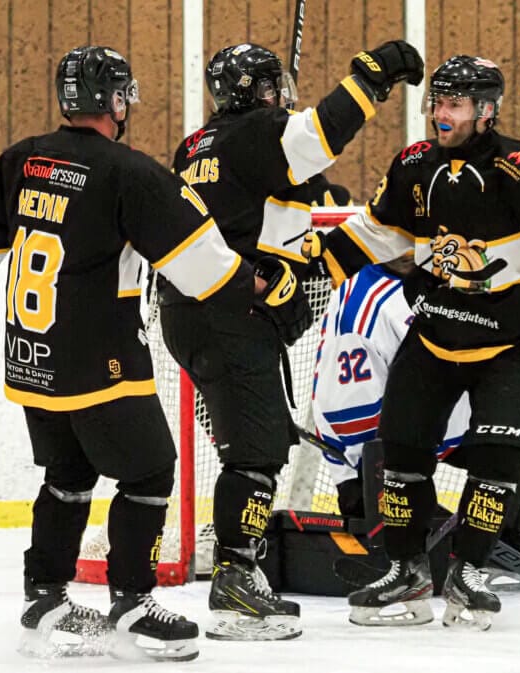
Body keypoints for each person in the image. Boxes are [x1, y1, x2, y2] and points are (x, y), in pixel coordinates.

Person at [0, 45, 303, 661]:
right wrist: (262, 285)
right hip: (100, 363)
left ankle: (45, 599)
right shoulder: (129, 172)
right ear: (114, 100)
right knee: (150, 470)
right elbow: (203, 269)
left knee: (68, 475)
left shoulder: (20, 160)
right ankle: (133, 606)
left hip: (31, 361)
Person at [302, 54, 520, 630]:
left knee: (497, 468)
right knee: (401, 459)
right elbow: (372, 233)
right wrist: (305, 268)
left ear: (487, 111)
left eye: (455, 104)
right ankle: (406, 571)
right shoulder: (415, 165)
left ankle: (468, 572)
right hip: (432, 339)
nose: (441, 115)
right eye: (437, 102)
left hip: (508, 351)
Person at [161, 40, 423, 641]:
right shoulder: (259, 132)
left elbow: (252, 219)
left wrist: (295, 247)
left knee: (259, 440)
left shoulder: (195, 146)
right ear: (258, 91)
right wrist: (373, 76)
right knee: (255, 453)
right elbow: (322, 133)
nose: (281, 95)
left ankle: (239, 569)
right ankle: (235, 580)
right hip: (231, 311)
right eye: (272, 87)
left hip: (188, 311)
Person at [310, 256, 520, 568]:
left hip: (385, 438)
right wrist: (370, 483)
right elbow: (351, 413)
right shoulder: (385, 300)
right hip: (384, 442)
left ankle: (499, 537)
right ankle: (487, 539)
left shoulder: (380, 282)